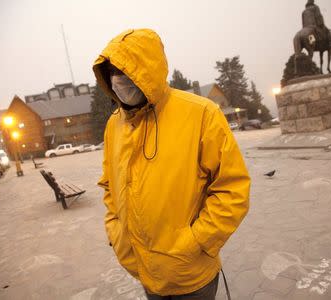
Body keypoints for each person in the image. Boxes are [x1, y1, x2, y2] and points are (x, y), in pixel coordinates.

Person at [93, 29, 250, 299]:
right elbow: (109, 185)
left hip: (191, 275)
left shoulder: (201, 114)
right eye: (113, 73)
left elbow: (232, 189)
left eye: (126, 72)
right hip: (142, 270)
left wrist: (195, 241)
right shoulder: (114, 124)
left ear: (148, 71)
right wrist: (118, 235)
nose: (119, 80)